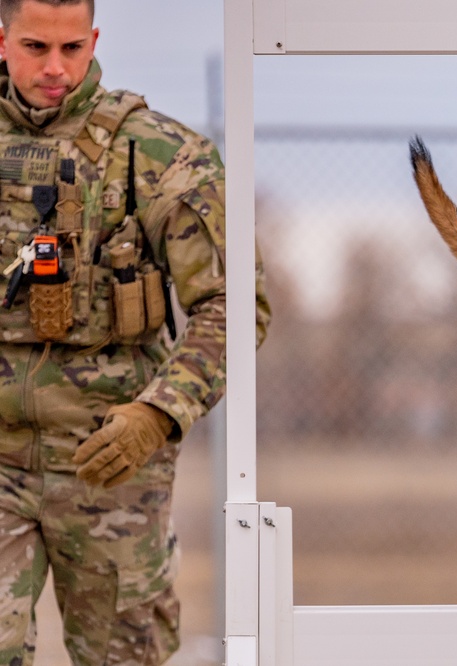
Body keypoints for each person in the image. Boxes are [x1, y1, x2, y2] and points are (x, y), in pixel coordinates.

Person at [0, 0, 270, 663]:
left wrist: (159, 414)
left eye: (72, 48)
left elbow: (236, 306)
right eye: (36, 47)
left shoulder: (160, 156)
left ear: (94, 38)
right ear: (0, 39)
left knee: (126, 655)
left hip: (111, 464)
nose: (56, 68)